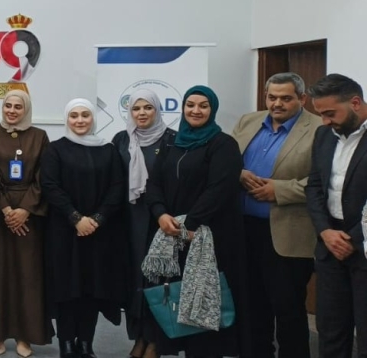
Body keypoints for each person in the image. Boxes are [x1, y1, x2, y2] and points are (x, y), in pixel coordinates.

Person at [145, 85, 250, 357]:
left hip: (209, 238)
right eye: (190, 105)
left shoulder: (223, 144)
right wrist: (160, 213)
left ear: (212, 110)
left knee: (205, 302)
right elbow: (153, 183)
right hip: (174, 235)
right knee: (178, 300)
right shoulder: (172, 142)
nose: (196, 110)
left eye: (203, 106)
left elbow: (220, 189)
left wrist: (190, 224)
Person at [231, 72, 320, 358]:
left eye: (285, 98)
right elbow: (223, 161)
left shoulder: (319, 129)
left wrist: (279, 190)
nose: (277, 104)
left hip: (288, 234)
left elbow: (324, 181)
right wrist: (238, 173)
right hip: (244, 231)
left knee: (288, 310)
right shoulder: (247, 122)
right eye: (272, 97)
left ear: (302, 99)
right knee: (251, 307)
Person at [41, 99, 128, 358]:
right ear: (67, 119)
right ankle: (67, 343)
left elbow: (117, 187)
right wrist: (76, 218)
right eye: (74, 115)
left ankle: (86, 343)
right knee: (67, 288)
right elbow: (50, 186)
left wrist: (97, 219)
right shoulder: (55, 149)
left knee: (92, 287)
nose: (80, 120)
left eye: (85, 115)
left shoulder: (108, 150)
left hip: (99, 233)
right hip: (64, 231)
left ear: (93, 118)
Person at [0, 89, 52, 357]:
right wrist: (6, 210)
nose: (12, 111)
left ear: (26, 109)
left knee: (27, 277)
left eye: (18, 106)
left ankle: (24, 336)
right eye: (8, 106)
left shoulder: (40, 136)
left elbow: (43, 177)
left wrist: (25, 210)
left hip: (29, 217)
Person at [305, 73, 367, 358]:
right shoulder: (323, 135)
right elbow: (314, 186)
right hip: (329, 246)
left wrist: (352, 238)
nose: (325, 121)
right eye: (321, 114)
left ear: (355, 103)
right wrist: (325, 231)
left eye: (330, 113)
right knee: (330, 332)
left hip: (362, 244)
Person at [113, 89, 176, 358]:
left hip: (158, 219)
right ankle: (138, 336)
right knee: (133, 280)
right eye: (136, 108)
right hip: (128, 220)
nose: (141, 113)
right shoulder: (121, 139)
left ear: (157, 110)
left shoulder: (172, 139)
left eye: (147, 108)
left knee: (156, 280)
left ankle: (155, 340)